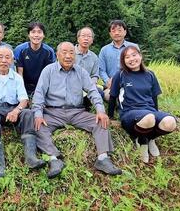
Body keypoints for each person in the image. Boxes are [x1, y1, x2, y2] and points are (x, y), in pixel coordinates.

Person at [33, 42, 122, 178]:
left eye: (71, 53)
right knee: (38, 126)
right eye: (64, 52)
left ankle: (103, 159)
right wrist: (38, 114)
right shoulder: (48, 71)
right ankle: (54, 159)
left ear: (75, 56)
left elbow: (92, 91)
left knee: (101, 121)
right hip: (53, 112)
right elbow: (39, 94)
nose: (68, 56)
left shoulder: (81, 71)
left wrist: (100, 110)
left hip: (77, 112)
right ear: (57, 54)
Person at [0, 46, 45, 178]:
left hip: (12, 108)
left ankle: (30, 157)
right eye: (0, 57)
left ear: (12, 61)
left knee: (28, 113)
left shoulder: (17, 77)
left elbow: (24, 99)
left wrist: (17, 110)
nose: (4, 60)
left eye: (7, 57)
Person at [108, 46, 177, 163]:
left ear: (140, 56)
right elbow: (113, 96)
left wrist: (157, 113)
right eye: (127, 57)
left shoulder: (150, 74)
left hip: (149, 111)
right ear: (123, 61)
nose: (131, 59)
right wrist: (109, 116)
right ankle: (142, 141)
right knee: (149, 118)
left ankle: (150, 138)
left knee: (170, 122)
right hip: (129, 112)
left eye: (134, 55)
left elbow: (154, 97)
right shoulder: (120, 75)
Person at [99, 20, 138, 100]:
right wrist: (107, 81)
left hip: (132, 83)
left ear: (125, 32)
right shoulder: (104, 50)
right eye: (113, 31)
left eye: (119, 30)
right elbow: (101, 70)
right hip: (112, 85)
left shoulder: (134, 47)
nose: (117, 33)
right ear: (110, 34)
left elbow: (139, 66)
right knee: (108, 96)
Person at [15, 22, 56, 97]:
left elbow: (50, 74)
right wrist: (22, 93)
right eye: (33, 32)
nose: (36, 35)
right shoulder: (20, 49)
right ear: (28, 35)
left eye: (39, 32)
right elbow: (19, 73)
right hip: (24, 87)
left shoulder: (49, 51)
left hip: (42, 88)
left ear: (43, 35)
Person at [74, 27, 104, 108]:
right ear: (78, 39)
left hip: (87, 86)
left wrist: (91, 84)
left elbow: (95, 75)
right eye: (83, 36)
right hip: (70, 85)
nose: (86, 38)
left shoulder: (94, 57)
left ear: (92, 40)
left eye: (89, 36)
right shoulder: (70, 52)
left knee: (100, 92)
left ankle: (85, 109)